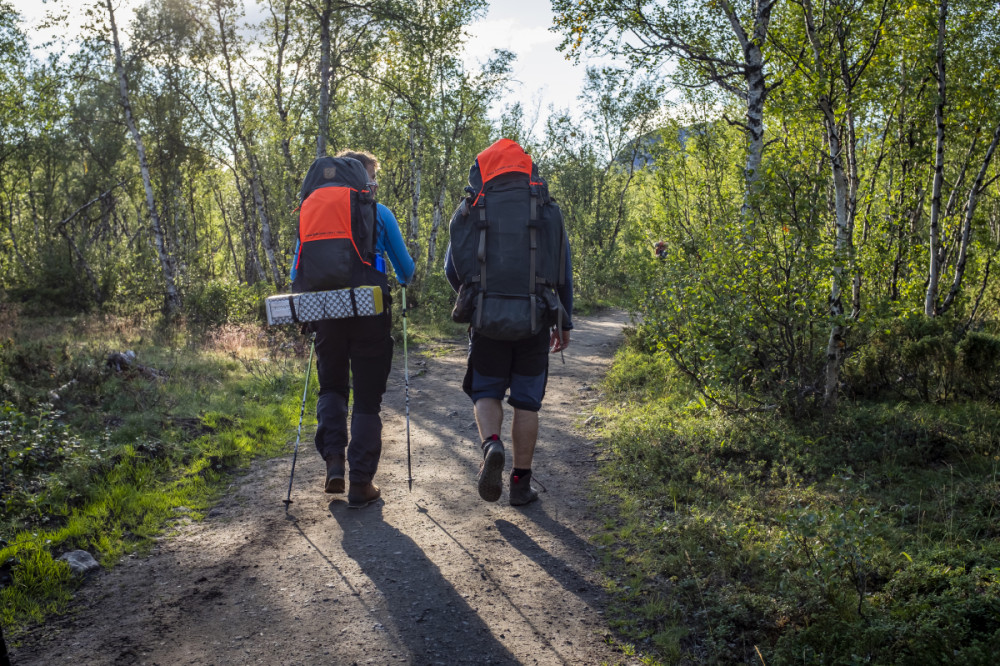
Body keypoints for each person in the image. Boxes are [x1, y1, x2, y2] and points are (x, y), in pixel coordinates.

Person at [443, 141, 573, 507]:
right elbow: (563, 271)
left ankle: (491, 446)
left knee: (486, 391)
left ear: (483, 171)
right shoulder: (547, 209)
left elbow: (451, 269)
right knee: (527, 403)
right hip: (534, 320)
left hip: (487, 320)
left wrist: (473, 296)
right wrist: (565, 322)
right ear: (525, 169)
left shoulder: (469, 209)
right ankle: (520, 483)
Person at [290, 150, 414, 508]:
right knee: (367, 397)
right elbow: (405, 271)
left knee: (331, 386)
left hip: (325, 311)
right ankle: (361, 482)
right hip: (369, 309)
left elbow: (297, 268)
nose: (373, 184)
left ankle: (334, 465)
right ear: (361, 179)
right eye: (372, 178)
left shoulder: (310, 211)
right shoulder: (379, 212)